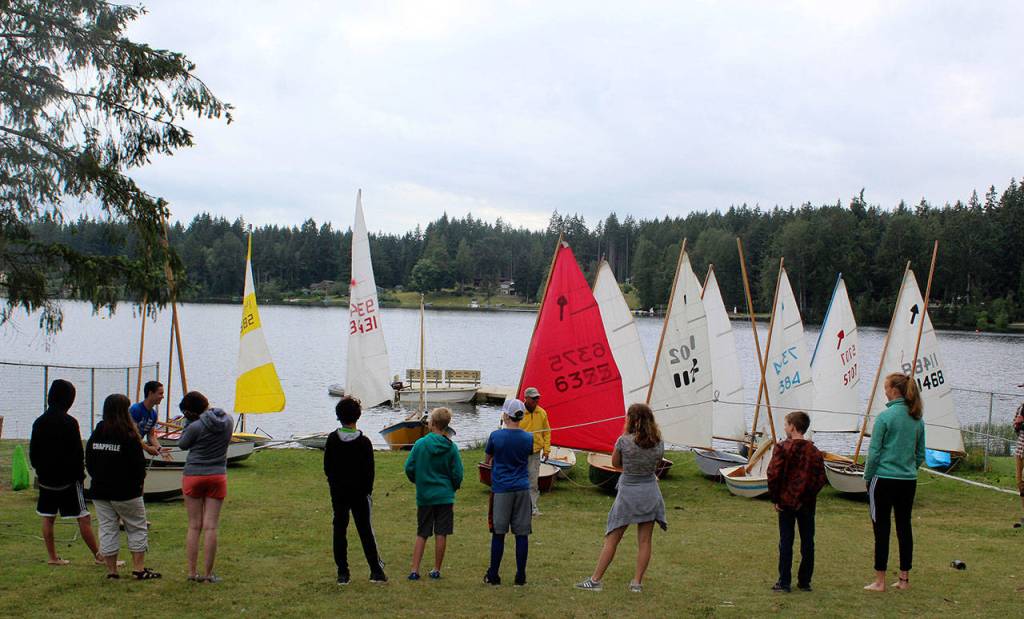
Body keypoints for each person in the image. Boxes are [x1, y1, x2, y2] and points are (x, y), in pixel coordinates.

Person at [575, 403, 667, 593]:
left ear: (631, 420)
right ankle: (637, 583)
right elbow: (657, 463)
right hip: (650, 491)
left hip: (628, 493)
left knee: (612, 538)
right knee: (645, 541)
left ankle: (595, 580)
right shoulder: (658, 442)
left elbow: (615, 463)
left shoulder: (623, 441)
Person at [29, 379, 105, 566]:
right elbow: (77, 453)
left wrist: (40, 471)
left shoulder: (39, 422)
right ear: (68, 400)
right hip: (68, 480)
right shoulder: (70, 423)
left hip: (46, 479)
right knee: (83, 517)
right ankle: (99, 556)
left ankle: (53, 557)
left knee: (48, 517)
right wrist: (80, 475)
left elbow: (33, 451)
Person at [86, 394, 161, 580]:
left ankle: (112, 571)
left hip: (100, 490)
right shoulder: (129, 434)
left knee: (107, 528)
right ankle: (138, 568)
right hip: (126, 491)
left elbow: (89, 460)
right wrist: (139, 484)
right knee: (136, 527)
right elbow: (137, 464)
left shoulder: (98, 432)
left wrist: (98, 478)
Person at [863, 373, 926, 592]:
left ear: (894, 391)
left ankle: (879, 581)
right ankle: (903, 579)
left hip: (883, 479)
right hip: (908, 481)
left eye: (886, 387)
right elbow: (920, 454)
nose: (884, 391)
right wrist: (908, 468)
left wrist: (868, 477)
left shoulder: (885, 417)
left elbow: (874, 453)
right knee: (904, 526)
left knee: (881, 528)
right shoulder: (917, 419)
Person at [324, 396, 387, 585]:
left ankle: (342, 573)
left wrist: (334, 485)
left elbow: (328, 467)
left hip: (339, 492)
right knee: (365, 530)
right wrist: (367, 490)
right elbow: (370, 471)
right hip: (360, 493)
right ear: (357, 417)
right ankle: (376, 571)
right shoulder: (364, 442)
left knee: (339, 529)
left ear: (338, 417)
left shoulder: (333, 439)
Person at [766, 411, 826, 593]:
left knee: (786, 541)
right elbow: (820, 478)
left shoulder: (782, 448)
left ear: (792, 426)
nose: (784, 428)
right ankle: (805, 581)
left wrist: (775, 497)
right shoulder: (814, 451)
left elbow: (773, 474)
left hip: (786, 501)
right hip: (807, 503)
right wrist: (809, 495)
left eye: (786, 424)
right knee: (808, 541)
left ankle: (784, 582)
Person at [177, 391, 233, 583]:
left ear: (190, 412)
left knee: (194, 526)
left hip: (193, 475)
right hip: (217, 475)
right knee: (211, 527)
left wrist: (187, 425)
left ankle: (192, 572)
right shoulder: (228, 421)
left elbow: (183, 445)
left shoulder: (195, 427)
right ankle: (208, 574)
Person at [404, 407, 464, 580]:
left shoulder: (420, 444)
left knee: (422, 532)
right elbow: (457, 474)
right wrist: (453, 486)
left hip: (425, 495)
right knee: (441, 532)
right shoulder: (451, 448)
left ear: (431, 423)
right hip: (444, 496)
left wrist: (418, 480)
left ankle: (414, 570)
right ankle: (436, 569)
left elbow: (409, 467)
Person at [483, 398, 534, 586]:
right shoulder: (528, 438)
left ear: (506, 415)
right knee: (522, 534)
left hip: (501, 489)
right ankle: (520, 576)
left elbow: (487, 460)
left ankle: (494, 575)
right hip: (522, 488)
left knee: (498, 532)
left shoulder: (496, 436)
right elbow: (526, 456)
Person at [520, 387, 551, 516]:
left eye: (537, 398)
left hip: (535, 452)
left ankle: (532, 508)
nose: (536, 400)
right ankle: (518, 507)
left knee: (533, 481)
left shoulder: (542, 413)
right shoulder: (519, 412)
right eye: (533, 398)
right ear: (526, 398)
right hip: (520, 452)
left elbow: (547, 432)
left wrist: (547, 449)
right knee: (519, 479)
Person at [130, 381, 166, 457]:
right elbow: (132, 435)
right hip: (127, 448)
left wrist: (159, 448)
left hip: (138, 448)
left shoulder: (153, 414)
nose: (163, 397)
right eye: (160, 393)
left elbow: (151, 436)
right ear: (150, 393)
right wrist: (147, 448)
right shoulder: (136, 409)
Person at [1013, 401, 1024, 528]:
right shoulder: (1020, 407)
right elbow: (1015, 429)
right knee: (1020, 483)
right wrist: (1017, 425)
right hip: (1020, 450)